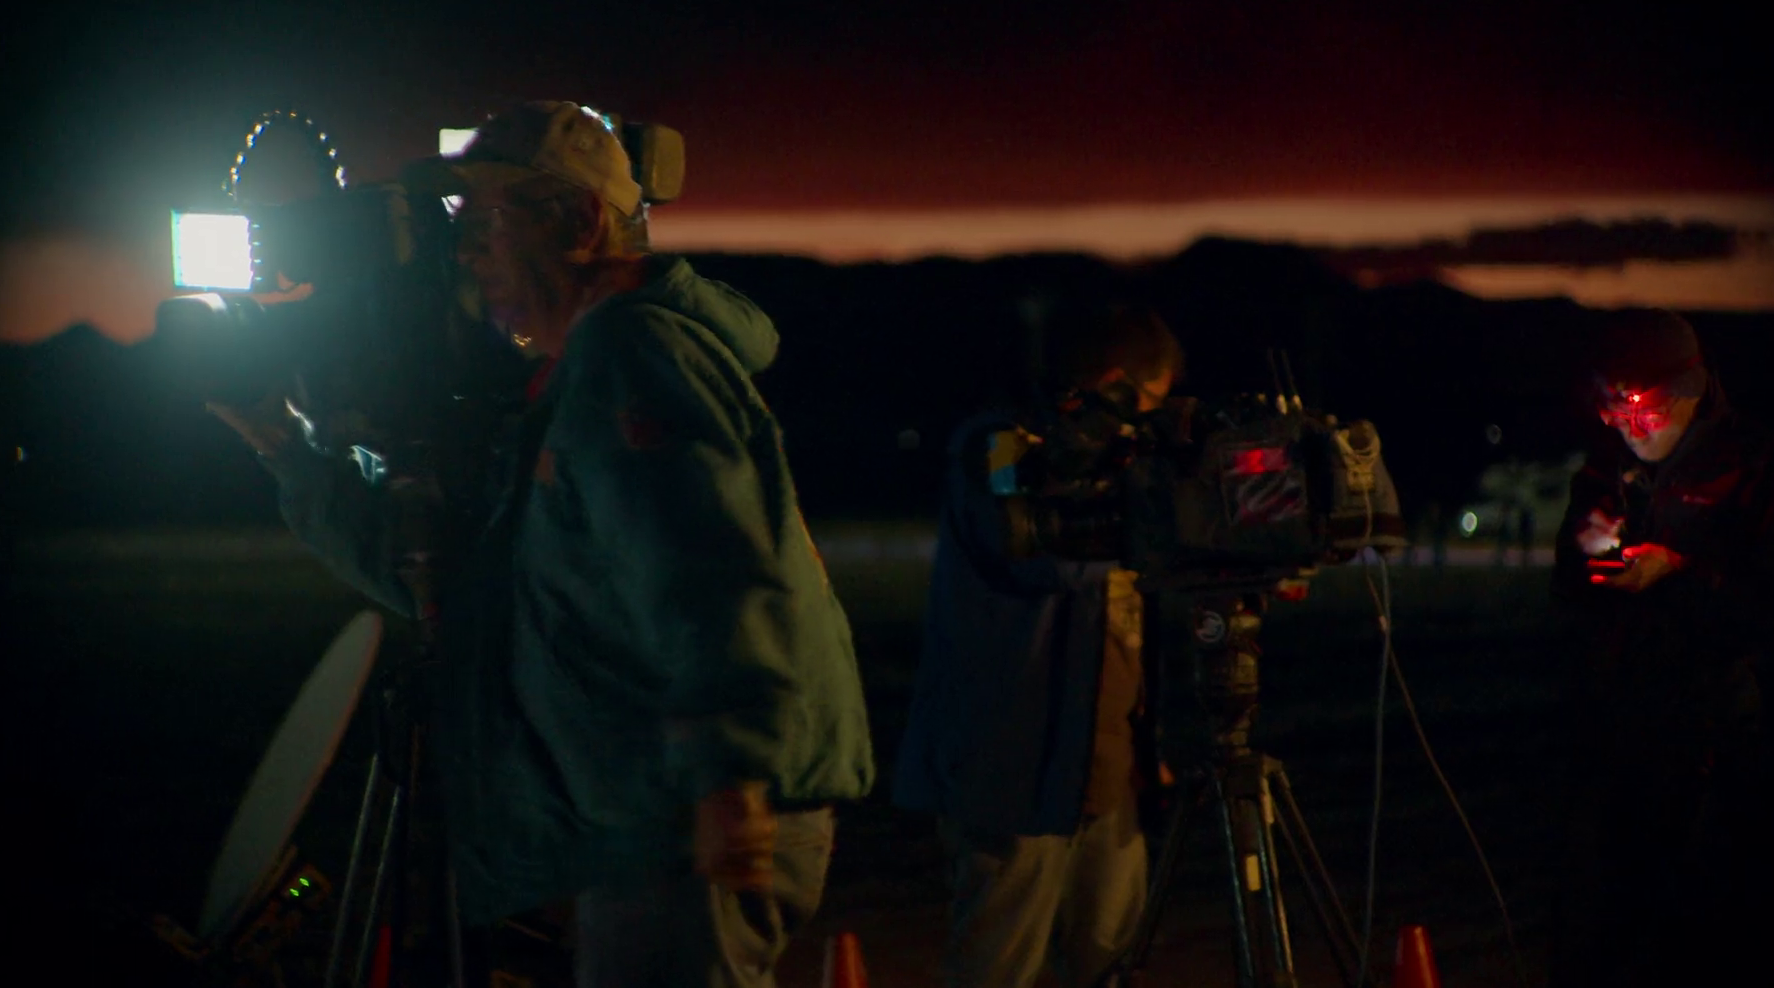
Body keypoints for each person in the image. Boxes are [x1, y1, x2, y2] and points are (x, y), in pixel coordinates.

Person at [209, 101, 874, 988]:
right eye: (460, 221)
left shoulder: (630, 355)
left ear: (582, 222)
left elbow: (704, 569)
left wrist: (727, 778)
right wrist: (284, 447)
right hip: (647, 813)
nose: (465, 250)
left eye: (488, 219)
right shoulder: (565, 385)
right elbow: (457, 589)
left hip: (682, 815)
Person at [893, 305, 1183, 988]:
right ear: (1112, 384)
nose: (1149, 425)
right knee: (997, 965)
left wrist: (1148, 748)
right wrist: (1146, 523)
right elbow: (1035, 555)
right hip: (1010, 772)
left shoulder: (1120, 469)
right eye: (1148, 404)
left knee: (1110, 961)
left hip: (1107, 774)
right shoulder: (996, 446)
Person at [1548, 308, 1774, 987]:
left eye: (1644, 411)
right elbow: (1566, 588)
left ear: (1691, 391)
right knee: (1594, 930)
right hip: (1609, 735)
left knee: (1696, 929)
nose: (1630, 429)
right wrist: (1588, 556)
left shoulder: (1754, 463)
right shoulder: (1607, 468)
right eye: (1614, 412)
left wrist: (1677, 573)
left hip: (1709, 742)